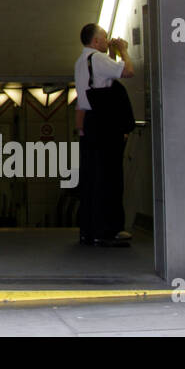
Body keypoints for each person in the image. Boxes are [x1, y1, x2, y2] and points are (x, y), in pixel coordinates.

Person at [74, 23, 134, 247]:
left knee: (92, 177)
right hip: (105, 123)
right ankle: (108, 230)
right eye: (104, 37)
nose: (107, 40)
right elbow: (127, 71)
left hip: (90, 123)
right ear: (96, 41)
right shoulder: (98, 59)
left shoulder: (81, 62)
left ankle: (90, 229)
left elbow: (101, 80)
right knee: (109, 176)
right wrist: (124, 51)